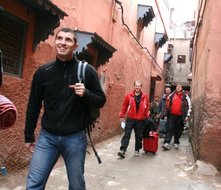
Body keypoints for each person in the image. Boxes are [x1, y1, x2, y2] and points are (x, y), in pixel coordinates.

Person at [24, 27, 106, 189]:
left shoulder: (86, 71)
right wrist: (28, 136)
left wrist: (86, 93)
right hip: (47, 138)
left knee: (76, 185)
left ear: (75, 46)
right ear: (55, 42)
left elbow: (101, 100)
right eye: (60, 38)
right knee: (33, 184)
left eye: (68, 40)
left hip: (75, 138)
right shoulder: (43, 72)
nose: (63, 43)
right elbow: (33, 105)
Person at [118, 80, 149, 158]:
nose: (137, 87)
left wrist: (146, 117)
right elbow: (124, 106)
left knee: (138, 136)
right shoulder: (129, 96)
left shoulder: (145, 96)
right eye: (136, 85)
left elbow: (146, 107)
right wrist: (121, 115)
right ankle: (123, 150)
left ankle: (137, 150)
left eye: (139, 86)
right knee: (127, 134)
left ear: (141, 87)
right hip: (130, 118)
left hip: (140, 119)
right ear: (134, 86)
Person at [162, 83, 191, 150]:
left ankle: (176, 142)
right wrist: (165, 114)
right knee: (169, 128)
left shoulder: (185, 96)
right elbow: (167, 105)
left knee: (178, 130)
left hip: (181, 116)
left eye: (179, 87)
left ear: (181, 88)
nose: (178, 88)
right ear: (176, 88)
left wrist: (188, 115)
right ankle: (167, 143)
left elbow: (189, 106)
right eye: (177, 87)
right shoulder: (171, 95)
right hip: (171, 115)